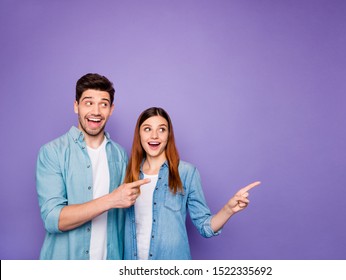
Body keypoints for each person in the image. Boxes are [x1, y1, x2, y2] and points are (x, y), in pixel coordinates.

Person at [36, 73, 149, 259]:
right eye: (88, 103)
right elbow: (53, 219)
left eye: (103, 104)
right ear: (76, 106)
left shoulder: (120, 155)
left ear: (111, 109)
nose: (96, 111)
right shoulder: (52, 152)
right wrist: (112, 199)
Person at [123, 107, 260, 260]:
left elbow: (205, 227)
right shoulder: (127, 173)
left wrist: (228, 209)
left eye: (161, 129)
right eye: (147, 129)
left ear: (169, 135)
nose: (154, 135)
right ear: (139, 134)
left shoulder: (187, 173)